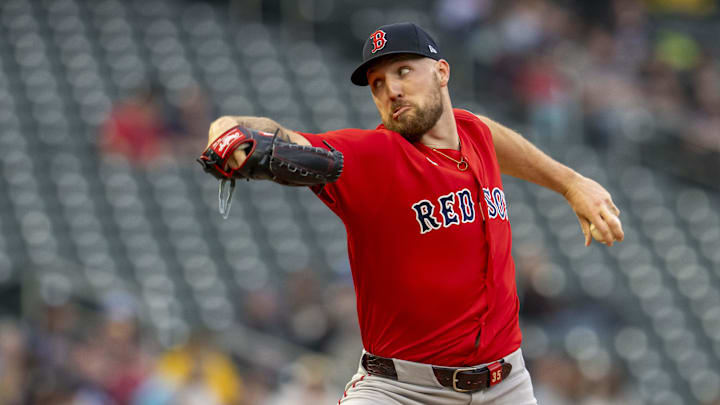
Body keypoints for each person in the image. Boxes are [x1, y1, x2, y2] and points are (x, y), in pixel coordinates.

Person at [200, 22, 624, 405]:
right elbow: (276, 135)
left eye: (403, 71)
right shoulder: (373, 155)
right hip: (402, 391)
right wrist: (227, 130)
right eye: (378, 83)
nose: (391, 90)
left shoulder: (473, 132)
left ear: (442, 72)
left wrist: (570, 183)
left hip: (507, 386)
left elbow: (494, 137)